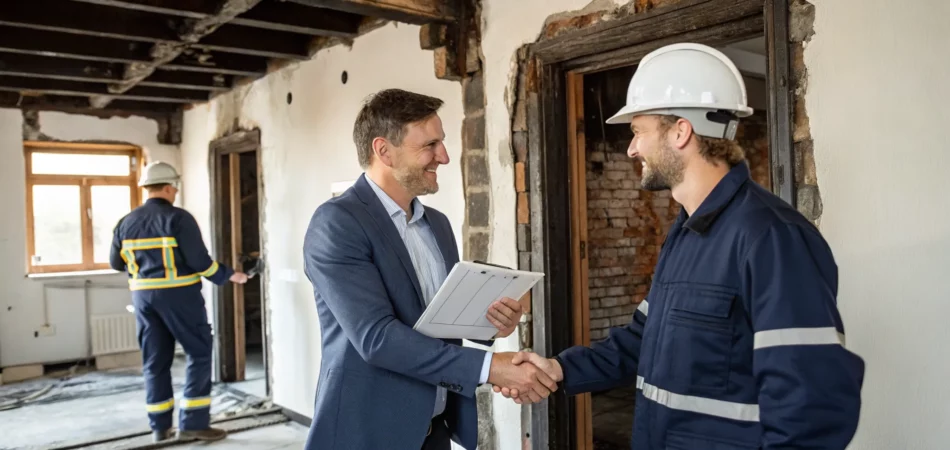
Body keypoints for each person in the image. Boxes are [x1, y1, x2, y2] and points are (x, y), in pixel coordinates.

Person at [496, 43, 866, 449]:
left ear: (680, 131)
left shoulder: (771, 237)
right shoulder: (688, 230)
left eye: (638, 131)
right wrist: (559, 369)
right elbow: (644, 338)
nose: (631, 148)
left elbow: (813, 403)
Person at [301, 88, 557, 450]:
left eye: (443, 142)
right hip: (368, 431)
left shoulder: (436, 223)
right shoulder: (336, 223)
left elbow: (439, 315)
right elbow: (377, 338)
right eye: (430, 145)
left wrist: (492, 321)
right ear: (383, 151)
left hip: (434, 428)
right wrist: (489, 367)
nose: (445, 156)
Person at [110, 161, 248, 443]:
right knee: (198, 353)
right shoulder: (179, 218)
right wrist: (230, 275)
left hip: (143, 299)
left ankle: (160, 428)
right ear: (171, 187)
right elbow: (200, 263)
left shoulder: (126, 222)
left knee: (155, 362)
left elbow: (115, 263)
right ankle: (193, 424)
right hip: (179, 297)